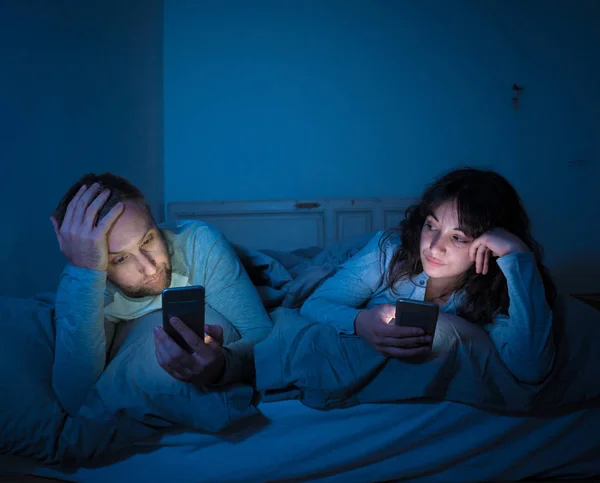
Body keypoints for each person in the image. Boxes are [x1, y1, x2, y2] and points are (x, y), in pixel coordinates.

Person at [299, 167, 557, 385]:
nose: (434, 246)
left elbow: (531, 367)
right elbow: (314, 304)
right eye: (431, 226)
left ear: (488, 247)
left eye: (458, 237)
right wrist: (360, 321)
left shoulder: (492, 290)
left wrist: (517, 254)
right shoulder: (389, 252)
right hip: (372, 254)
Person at [49, 173, 273, 416]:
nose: (150, 267)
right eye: (121, 259)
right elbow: (75, 398)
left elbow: (263, 336)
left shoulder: (198, 243)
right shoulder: (83, 282)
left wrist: (222, 366)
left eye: (148, 239)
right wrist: (85, 275)